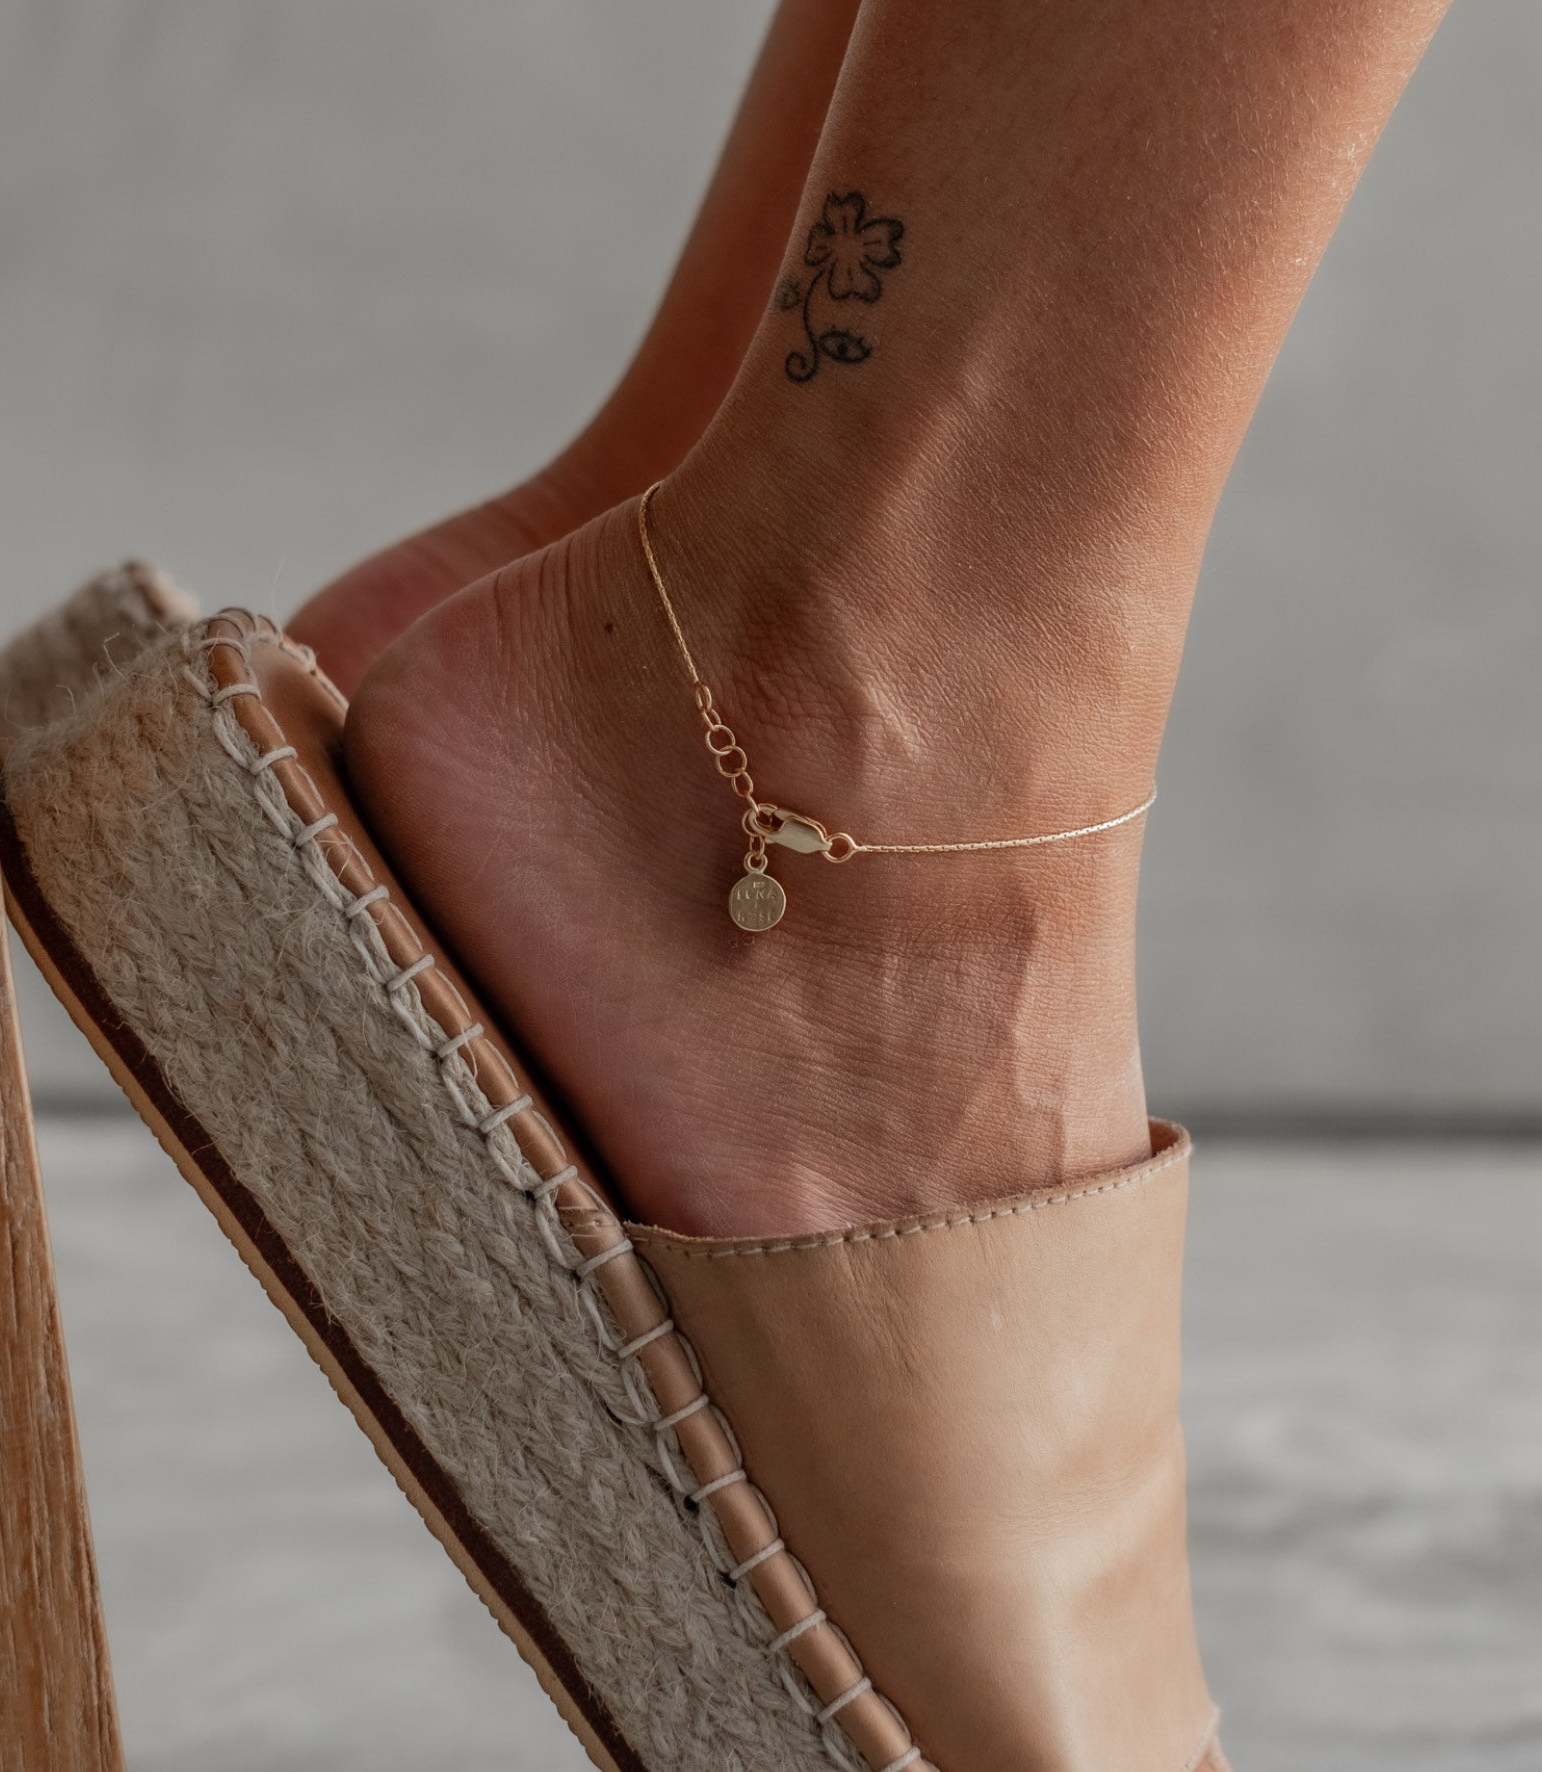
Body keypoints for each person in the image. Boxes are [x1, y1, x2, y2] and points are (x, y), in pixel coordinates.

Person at [291, 0, 1453, 1240]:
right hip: (780, 804)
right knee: (887, 577)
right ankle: (847, 695)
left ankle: (669, 554)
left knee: (739, 499)